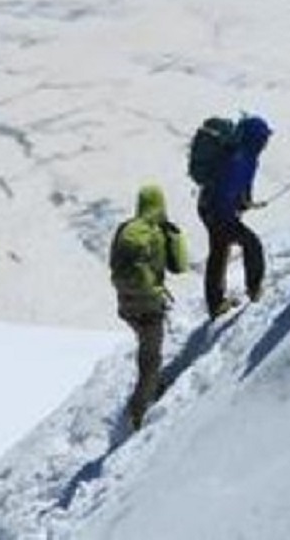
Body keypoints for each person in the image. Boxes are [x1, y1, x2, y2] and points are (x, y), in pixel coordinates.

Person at [109, 184, 187, 431]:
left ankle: (155, 386)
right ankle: (138, 412)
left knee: (146, 346)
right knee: (150, 359)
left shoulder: (126, 229)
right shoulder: (156, 233)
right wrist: (175, 237)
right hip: (149, 303)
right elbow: (180, 266)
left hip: (125, 302)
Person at [198, 114, 272, 319]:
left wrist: (244, 202)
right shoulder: (239, 159)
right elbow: (227, 191)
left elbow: (242, 187)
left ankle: (216, 303)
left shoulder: (247, 156)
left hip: (209, 208)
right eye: (264, 138)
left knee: (219, 252)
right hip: (217, 212)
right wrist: (232, 214)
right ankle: (254, 289)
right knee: (251, 244)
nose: (266, 143)